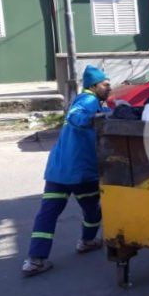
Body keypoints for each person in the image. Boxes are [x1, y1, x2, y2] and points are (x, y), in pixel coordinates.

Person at [21, 66, 112, 277]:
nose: (109, 88)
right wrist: (90, 120)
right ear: (93, 86)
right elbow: (76, 116)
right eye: (105, 84)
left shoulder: (94, 104)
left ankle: (35, 260)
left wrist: (108, 113)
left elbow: (97, 114)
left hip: (59, 170)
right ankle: (87, 241)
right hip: (81, 173)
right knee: (92, 210)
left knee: (48, 213)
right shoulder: (87, 100)